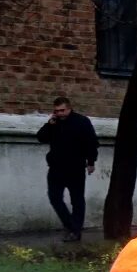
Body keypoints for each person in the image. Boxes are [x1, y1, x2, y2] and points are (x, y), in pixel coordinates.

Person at [36, 96, 99, 242]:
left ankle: (75, 231)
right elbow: (41, 138)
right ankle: (71, 226)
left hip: (75, 168)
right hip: (56, 168)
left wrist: (91, 162)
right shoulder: (54, 123)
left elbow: (91, 142)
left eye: (62, 110)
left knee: (77, 200)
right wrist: (49, 124)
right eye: (57, 111)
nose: (60, 113)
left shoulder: (82, 121)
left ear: (69, 108)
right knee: (54, 197)